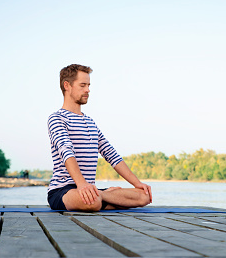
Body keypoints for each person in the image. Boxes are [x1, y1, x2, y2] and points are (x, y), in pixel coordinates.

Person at [47, 64, 152, 211]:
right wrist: (82, 184)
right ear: (67, 86)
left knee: (144, 196)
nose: (88, 90)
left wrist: (137, 183)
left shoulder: (90, 122)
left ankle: (102, 195)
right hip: (63, 190)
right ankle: (105, 195)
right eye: (82, 85)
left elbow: (111, 154)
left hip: (90, 189)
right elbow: (66, 152)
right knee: (93, 202)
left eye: (88, 85)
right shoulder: (57, 118)